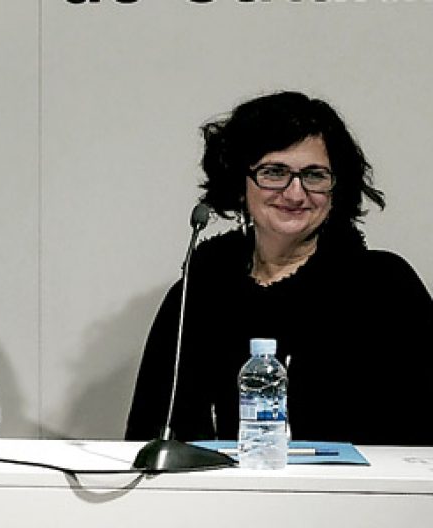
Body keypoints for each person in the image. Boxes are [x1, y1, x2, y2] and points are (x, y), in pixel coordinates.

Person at [126, 91, 433, 445]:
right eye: (275, 173)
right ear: (239, 184)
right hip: (229, 495)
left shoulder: (385, 285)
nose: (295, 194)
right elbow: (151, 431)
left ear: (336, 188)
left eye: (314, 176)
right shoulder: (198, 294)